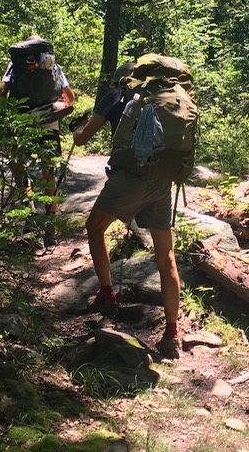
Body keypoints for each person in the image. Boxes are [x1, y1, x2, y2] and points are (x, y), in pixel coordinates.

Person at [70, 61, 183, 360]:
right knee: (166, 255)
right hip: (162, 181)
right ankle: (172, 333)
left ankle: (106, 294)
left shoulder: (117, 96)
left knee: (94, 228)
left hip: (130, 178)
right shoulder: (164, 98)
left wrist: (76, 129)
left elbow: (82, 138)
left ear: (120, 81)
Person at [0, 36, 76, 244]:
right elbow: (70, 96)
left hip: (21, 122)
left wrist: (6, 116)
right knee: (48, 170)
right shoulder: (51, 64)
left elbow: (2, 90)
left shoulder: (16, 64)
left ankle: (29, 210)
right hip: (49, 122)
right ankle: (50, 224)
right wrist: (56, 106)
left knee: (19, 166)